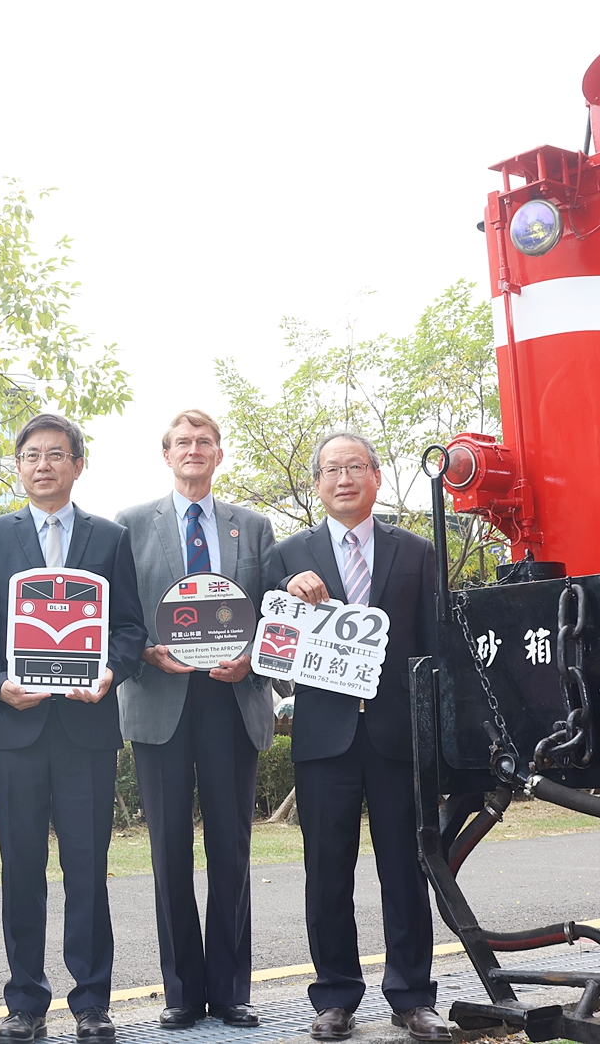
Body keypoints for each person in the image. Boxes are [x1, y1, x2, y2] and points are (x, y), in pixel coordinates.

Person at [0, 412, 147, 1044]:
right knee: (20, 870)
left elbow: (128, 628)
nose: (42, 465)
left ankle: (92, 1002)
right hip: (13, 729)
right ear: (19, 467)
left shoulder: (109, 536)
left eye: (55, 454)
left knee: (86, 871)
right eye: (31, 456)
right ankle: (25, 1002)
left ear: (77, 463)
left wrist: (110, 675)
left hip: (86, 728)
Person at [264, 433, 450, 1043]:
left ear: (375, 476)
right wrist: (290, 602)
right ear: (317, 483)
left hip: (397, 735)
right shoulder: (288, 554)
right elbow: (274, 655)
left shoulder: (418, 551)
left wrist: (437, 732)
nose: (343, 478)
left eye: (355, 467)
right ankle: (336, 996)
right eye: (331, 469)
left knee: (404, 868)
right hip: (324, 738)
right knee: (327, 871)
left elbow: (434, 649)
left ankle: (412, 996)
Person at [115, 410, 276, 1030]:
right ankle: (182, 990)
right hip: (161, 700)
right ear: (166, 455)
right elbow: (121, 618)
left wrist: (254, 660)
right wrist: (142, 655)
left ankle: (232, 989)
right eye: (182, 442)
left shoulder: (254, 527)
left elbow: (275, 617)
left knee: (232, 852)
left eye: (203, 442)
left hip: (233, 703)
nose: (193, 451)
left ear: (219, 453)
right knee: (169, 853)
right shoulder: (128, 526)